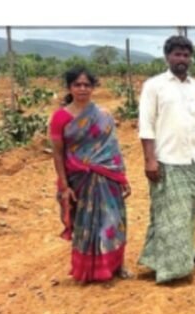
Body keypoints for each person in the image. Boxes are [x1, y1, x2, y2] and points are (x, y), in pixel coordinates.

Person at [137, 35, 195, 284]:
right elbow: (146, 126)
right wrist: (150, 160)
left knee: (193, 209)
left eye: (186, 55)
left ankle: (188, 252)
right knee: (171, 215)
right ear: (167, 56)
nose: (182, 59)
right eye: (177, 54)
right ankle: (174, 269)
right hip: (168, 161)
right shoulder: (154, 86)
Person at [50, 66, 132, 283]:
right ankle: (88, 271)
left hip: (108, 177)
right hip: (80, 180)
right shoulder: (60, 117)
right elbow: (58, 155)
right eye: (78, 84)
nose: (83, 89)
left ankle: (117, 266)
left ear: (93, 87)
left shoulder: (103, 115)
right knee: (85, 226)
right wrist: (65, 186)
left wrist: (121, 177)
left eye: (87, 84)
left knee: (114, 222)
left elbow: (112, 149)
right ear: (70, 87)